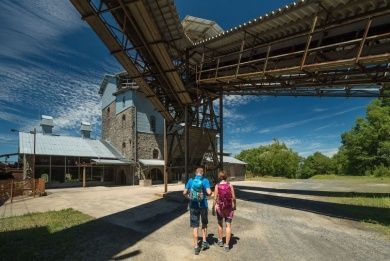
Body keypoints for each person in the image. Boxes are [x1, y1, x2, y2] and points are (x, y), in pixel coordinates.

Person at [183, 167, 212, 255]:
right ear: (202, 173)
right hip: (203, 205)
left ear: (196, 173)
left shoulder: (190, 181)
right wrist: (207, 195)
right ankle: (204, 242)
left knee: (195, 226)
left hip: (193, 206)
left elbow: (184, 193)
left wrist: (189, 198)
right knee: (204, 224)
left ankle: (196, 247)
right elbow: (209, 192)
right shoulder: (205, 180)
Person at [212, 170, 236, 252]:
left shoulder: (217, 186)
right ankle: (227, 245)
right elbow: (234, 198)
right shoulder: (230, 185)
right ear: (226, 177)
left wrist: (213, 208)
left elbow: (215, 198)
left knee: (220, 224)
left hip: (220, 208)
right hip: (229, 208)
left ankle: (220, 241)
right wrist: (234, 206)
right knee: (228, 225)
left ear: (219, 177)